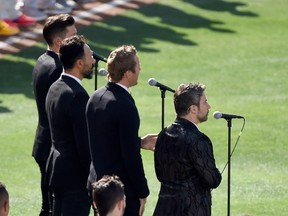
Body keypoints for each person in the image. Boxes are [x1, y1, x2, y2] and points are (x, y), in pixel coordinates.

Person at [86, 44, 157, 216]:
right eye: (137, 65)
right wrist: (142, 192)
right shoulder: (125, 106)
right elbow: (130, 156)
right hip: (119, 191)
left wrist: (138, 142)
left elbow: (107, 139)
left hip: (97, 185)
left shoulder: (95, 98)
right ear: (127, 73)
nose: (140, 68)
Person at [153, 83, 222, 216]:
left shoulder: (164, 134)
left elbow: (160, 173)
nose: (209, 106)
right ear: (193, 109)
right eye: (205, 102)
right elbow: (213, 179)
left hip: (164, 209)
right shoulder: (198, 140)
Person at [32, 13, 77, 216]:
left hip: (44, 143)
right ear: (59, 42)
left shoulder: (43, 60)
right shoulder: (58, 69)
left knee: (48, 207)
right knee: (53, 209)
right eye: (73, 35)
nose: (78, 39)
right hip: (54, 149)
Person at [45, 34, 95, 215]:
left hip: (56, 171)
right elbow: (84, 145)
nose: (93, 62)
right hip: (74, 179)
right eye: (90, 58)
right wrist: (94, 181)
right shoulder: (78, 95)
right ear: (79, 63)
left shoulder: (55, 87)